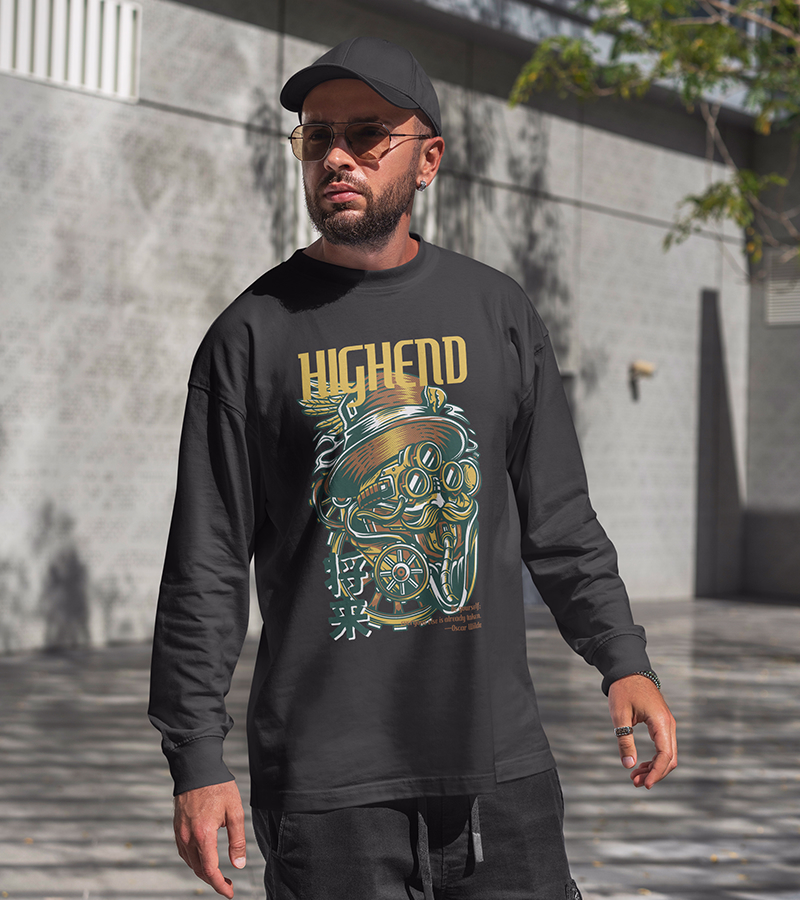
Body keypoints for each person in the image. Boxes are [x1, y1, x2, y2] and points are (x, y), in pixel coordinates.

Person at [148, 35, 677, 900]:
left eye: (366, 135)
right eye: (317, 137)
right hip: (326, 791)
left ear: (428, 160)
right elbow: (205, 565)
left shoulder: (497, 313)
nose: (337, 157)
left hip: (499, 770)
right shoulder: (251, 336)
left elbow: (559, 519)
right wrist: (195, 755)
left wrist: (623, 657)